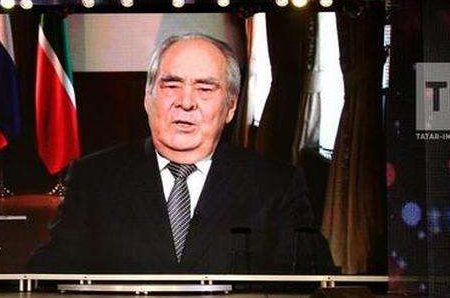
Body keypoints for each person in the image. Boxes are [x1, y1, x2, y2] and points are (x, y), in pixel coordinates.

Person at [27, 33, 334, 273]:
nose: (186, 103)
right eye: (171, 86)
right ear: (148, 97)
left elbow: (310, 279)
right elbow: (49, 274)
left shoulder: (278, 185)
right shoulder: (93, 178)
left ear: (231, 106)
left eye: (205, 89)